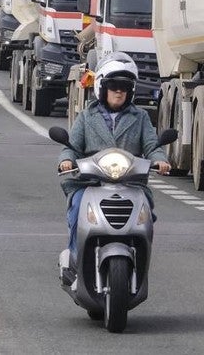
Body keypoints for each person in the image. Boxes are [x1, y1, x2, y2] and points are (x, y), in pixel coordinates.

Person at [57, 53, 169, 260]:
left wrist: (160, 160)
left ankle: (141, 257)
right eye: (114, 86)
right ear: (102, 88)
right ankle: (74, 256)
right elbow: (71, 147)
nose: (119, 91)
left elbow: (152, 146)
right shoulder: (86, 116)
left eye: (124, 87)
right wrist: (66, 160)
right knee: (77, 208)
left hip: (132, 183)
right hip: (90, 182)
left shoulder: (141, 117)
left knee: (146, 216)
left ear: (131, 91)